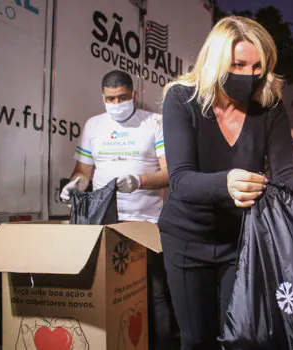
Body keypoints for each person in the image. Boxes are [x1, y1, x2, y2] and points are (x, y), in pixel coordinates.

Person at [159, 16, 293, 349]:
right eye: (238, 64)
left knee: (244, 335)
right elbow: (180, 180)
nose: (248, 75)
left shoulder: (269, 107)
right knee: (196, 339)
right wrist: (227, 183)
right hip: (187, 240)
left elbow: (286, 174)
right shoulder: (181, 99)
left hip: (244, 241)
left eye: (257, 67)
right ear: (215, 60)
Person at [60, 70, 178, 349]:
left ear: (133, 94)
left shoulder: (153, 123)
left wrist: (138, 181)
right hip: (106, 224)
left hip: (147, 224)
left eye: (122, 97)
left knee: (156, 292)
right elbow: (83, 171)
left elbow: (170, 173)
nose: (117, 103)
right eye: (110, 99)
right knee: (112, 292)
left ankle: (162, 343)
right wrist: (76, 184)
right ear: (103, 98)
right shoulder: (94, 126)